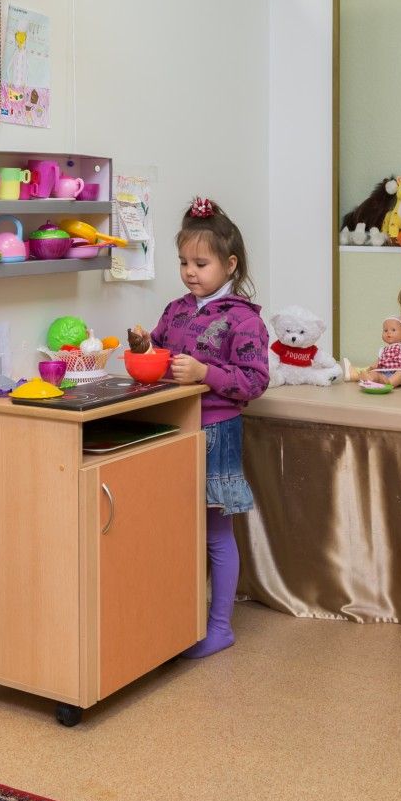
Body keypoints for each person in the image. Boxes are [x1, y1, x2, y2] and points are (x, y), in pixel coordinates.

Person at [127, 197, 269, 658]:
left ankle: (220, 626)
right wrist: (144, 346)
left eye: (201, 264)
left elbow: (254, 382)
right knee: (176, 529)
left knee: (214, 535)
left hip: (216, 434)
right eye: (184, 262)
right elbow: (159, 355)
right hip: (175, 428)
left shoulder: (244, 319)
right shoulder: (176, 310)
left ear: (230, 264)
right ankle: (179, 618)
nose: (190, 272)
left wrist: (206, 373)